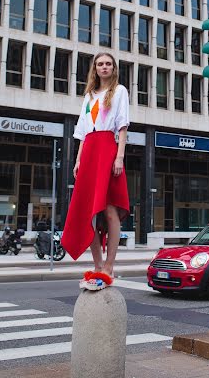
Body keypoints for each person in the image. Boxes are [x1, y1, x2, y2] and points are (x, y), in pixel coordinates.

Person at [61, 52, 130, 291]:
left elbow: (122, 126)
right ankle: (97, 265)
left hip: (107, 150)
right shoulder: (89, 96)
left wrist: (119, 156)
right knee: (89, 211)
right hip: (89, 151)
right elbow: (82, 132)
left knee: (110, 210)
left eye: (108, 64)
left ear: (113, 68)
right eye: (100, 64)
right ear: (95, 68)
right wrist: (78, 160)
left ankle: (109, 267)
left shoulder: (119, 91)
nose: (104, 67)